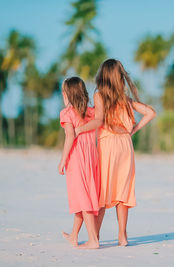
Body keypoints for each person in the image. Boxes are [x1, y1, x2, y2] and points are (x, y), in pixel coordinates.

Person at [74, 59, 156, 246]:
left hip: (108, 145)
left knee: (103, 192)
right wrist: (132, 130)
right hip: (125, 145)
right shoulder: (125, 100)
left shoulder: (99, 95)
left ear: (103, 76)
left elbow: (100, 119)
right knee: (123, 191)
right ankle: (122, 236)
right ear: (120, 77)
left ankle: (95, 237)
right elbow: (151, 112)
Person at [58, 77, 100, 249]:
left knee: (83, 199)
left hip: (77, 159)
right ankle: (74, 236)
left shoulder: (67, 113)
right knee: (83, 196)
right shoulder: (92, 112)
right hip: (92, 158)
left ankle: (93, 240)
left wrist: (62, 160)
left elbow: (70, 136)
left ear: (67, 95)